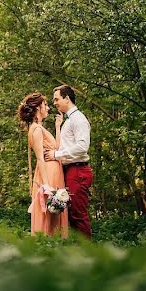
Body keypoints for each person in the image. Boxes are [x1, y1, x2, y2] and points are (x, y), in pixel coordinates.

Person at [44, 84, 93, 238]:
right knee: (71, 215)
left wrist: (57, 155)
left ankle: (88, 254)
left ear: (67, 98)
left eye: (57, 99)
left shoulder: (78, 119)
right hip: (70, 171)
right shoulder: (68, 121)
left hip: (78, 170)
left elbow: (82, 147)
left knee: (78, 215)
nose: (54, 103)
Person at [18, 92, 68, 238]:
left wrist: (58, 126)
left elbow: (57, 148)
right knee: (49, 214)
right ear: (38, 107)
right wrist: (47, 186)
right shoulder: (36, 129)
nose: (48, 108)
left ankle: (55, 246)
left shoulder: (41, 128)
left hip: (55, 172)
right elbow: (40, 159)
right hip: (48, 175)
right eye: (45, 105)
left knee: (55, 214)